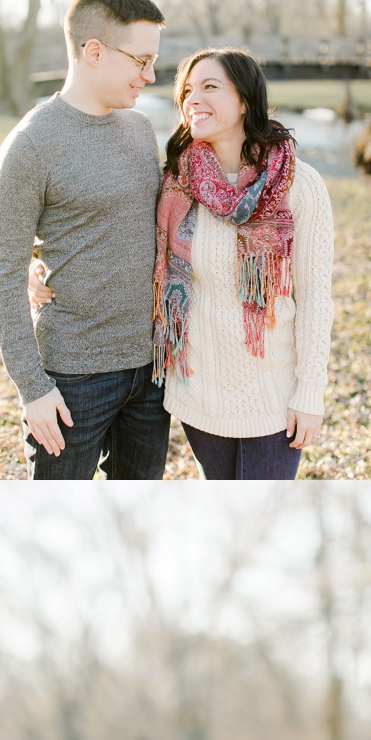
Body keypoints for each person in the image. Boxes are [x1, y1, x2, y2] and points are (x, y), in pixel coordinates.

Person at [32, 48, 335, 480]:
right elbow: (99, 224)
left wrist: (310, 392)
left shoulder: (298, 185)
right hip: (199, 399)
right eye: (187, 90)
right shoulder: (175, 182)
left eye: (210, 87)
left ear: (246, 98)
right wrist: (35, 261)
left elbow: (316, 301)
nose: (193, 98)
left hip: (274, 398)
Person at [0, 0, 171, 480]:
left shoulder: (139, 129)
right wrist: (32, 388)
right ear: (94, 50)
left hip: (151, 371)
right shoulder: (30, 147)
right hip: (72, 380)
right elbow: (3, 274)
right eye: (141, 61)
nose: (151, 76)